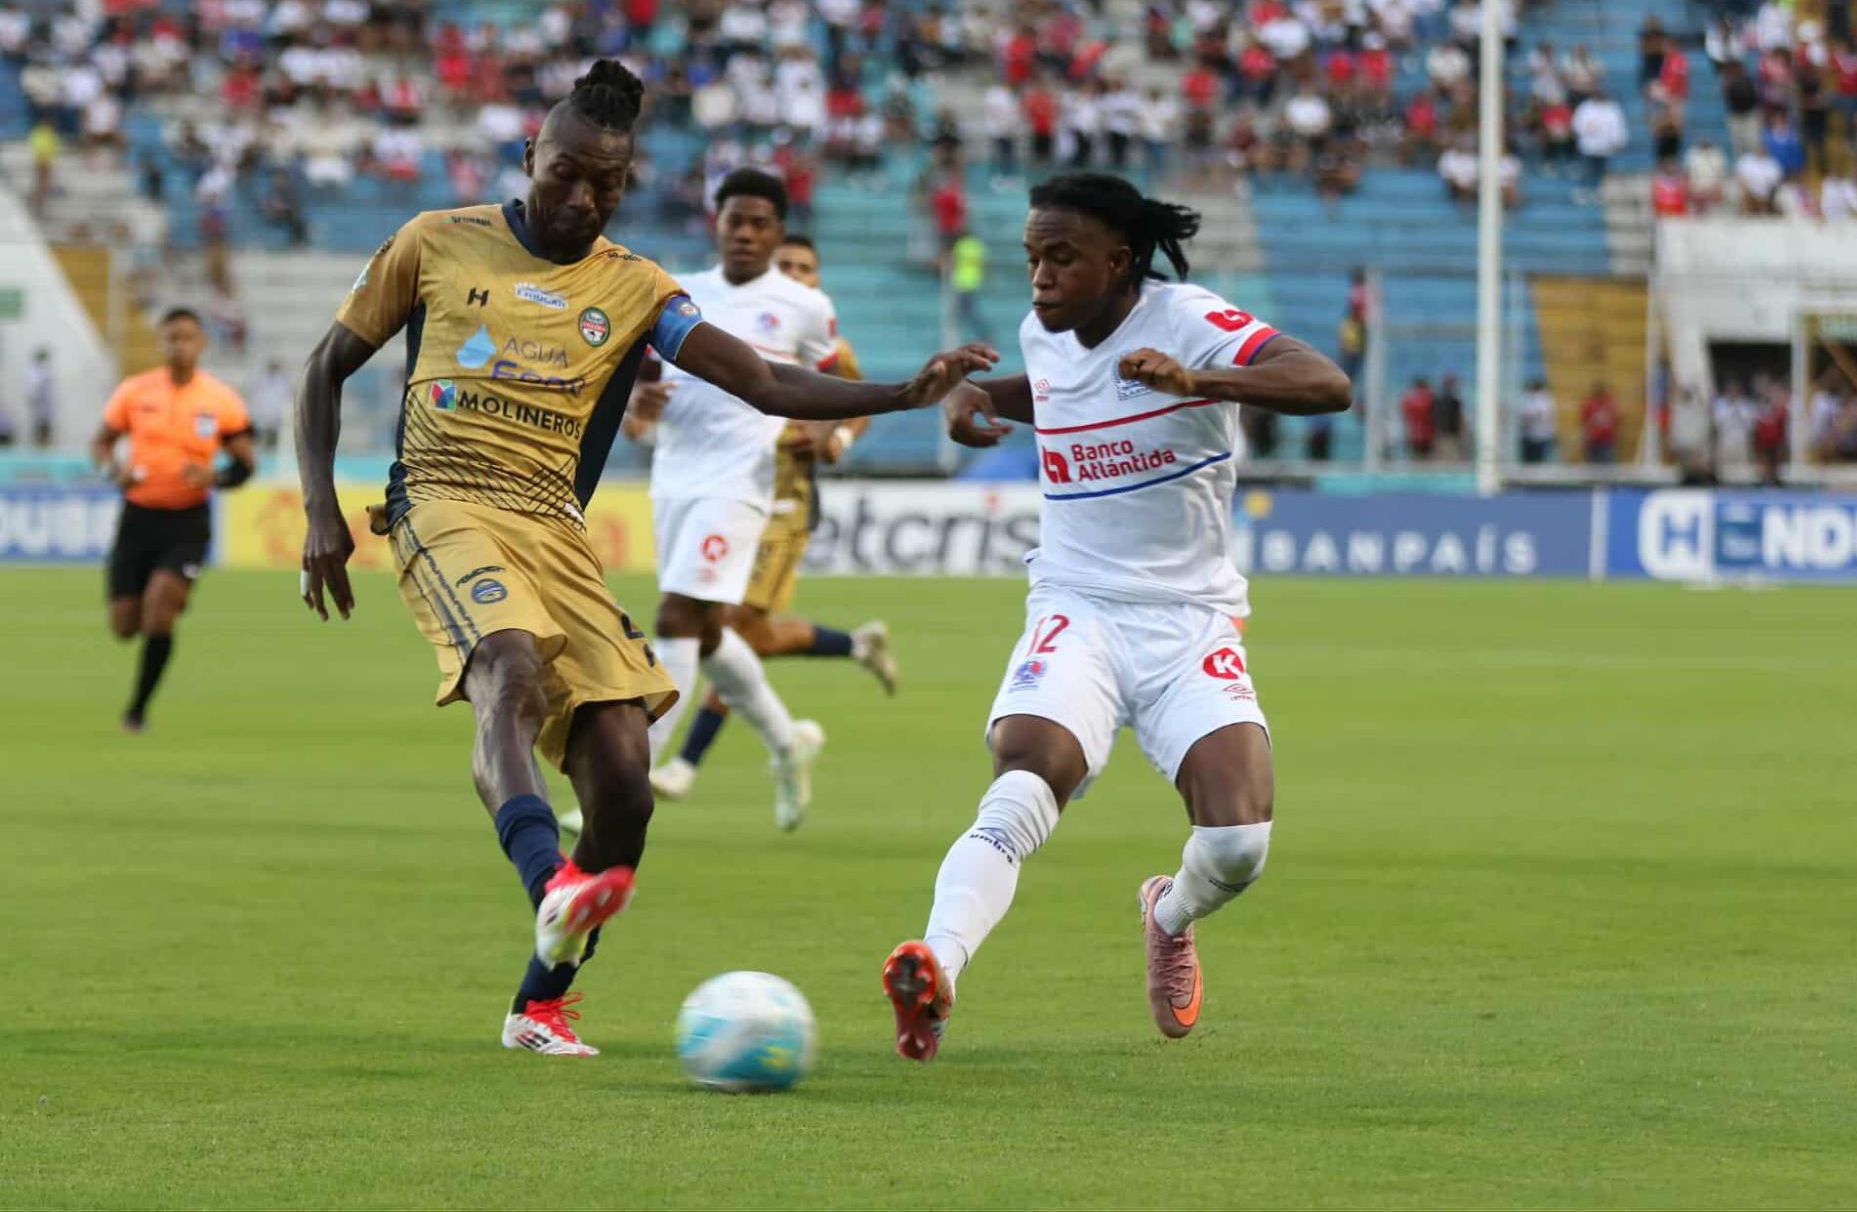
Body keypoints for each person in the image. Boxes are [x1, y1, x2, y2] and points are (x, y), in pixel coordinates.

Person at [292, 61, 995, 1059]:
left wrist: (898, 393)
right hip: (444, 500)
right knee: (509, 666)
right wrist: (320, 510)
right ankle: (552, 888)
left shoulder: (634, 286)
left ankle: (538, 1004)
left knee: (623, 776)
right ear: (529, 156)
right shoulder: (435, 240)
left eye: (607, 184)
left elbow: (754, 377)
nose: (582, 199)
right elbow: (324, 367)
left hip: (554, 527)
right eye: (566, 174)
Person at [878, 173, 1351, 1061]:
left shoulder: (1188, 320)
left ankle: (1168, 914)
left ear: (1120, 261)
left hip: (1189, 620)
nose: (1040, 276)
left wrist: (1203, 378)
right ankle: (935, 969)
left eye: (1061, 257)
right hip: (1078, 606)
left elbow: (1326, 383)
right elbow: (1057, 387)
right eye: (1031, 258)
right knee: (1026, 771)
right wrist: (976, 397)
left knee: (1240, 842)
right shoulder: (1041, 333)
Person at [599, 233, 900, 812]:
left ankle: (667, 767)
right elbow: (652, 391)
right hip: (703, 490)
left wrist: (832, 435)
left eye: (802, 267)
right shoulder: (709, 315)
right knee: (723, 632)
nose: (791, 273)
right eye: (784, 264)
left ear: (816, 279)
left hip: (781, 503)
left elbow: (854, 404)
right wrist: (640, 413)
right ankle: (806, 716)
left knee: (700, 619)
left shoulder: (820, 335)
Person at [89, 308, 256, 732]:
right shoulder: (135, 391)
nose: (177, 345)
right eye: (170, 338)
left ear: (201, 344)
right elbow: (102, 442)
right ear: (160, 343)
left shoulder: (220, 400)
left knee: (159, 613)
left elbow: (245, 464)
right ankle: (165, 594)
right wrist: (114, 470)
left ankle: (137, 710)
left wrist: (214, 476)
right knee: (125, 626)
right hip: (138, 518)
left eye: (185, 338)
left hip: (187, 521)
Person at [1519, 378, 1556, 463]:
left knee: (1537, 461)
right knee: (1528, 461)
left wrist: (1529, 419)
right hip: (1528, 435)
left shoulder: (1545, 399)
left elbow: (1542, 416)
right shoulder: (1527, 397)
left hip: (1540, 435)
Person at [1581, 382, 1620, 463]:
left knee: (1607, 467)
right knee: (1591, 468)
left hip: (1606, 441)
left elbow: (1616, 419)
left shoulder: (1610, 404)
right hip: (1592, 442)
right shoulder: (1590, 405)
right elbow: (1584, 421)